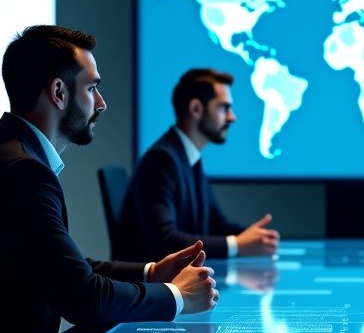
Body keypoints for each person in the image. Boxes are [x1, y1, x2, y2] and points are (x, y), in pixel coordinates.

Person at [0, 26, 218, 333]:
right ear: (58, 92)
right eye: (92, 88)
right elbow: (83, 298)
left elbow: (61, 267)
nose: (101, 103)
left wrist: (152, 273)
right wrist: (178, 297)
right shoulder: (21, 172)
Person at [118, 67, 280, 260]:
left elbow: (215, 225)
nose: (232, 117)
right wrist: (237, 245)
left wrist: (256, 237)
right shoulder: (162, 159)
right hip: (156, 286)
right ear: (196, 109)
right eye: (224, 108)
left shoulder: (189, 157)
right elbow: (165, 242)